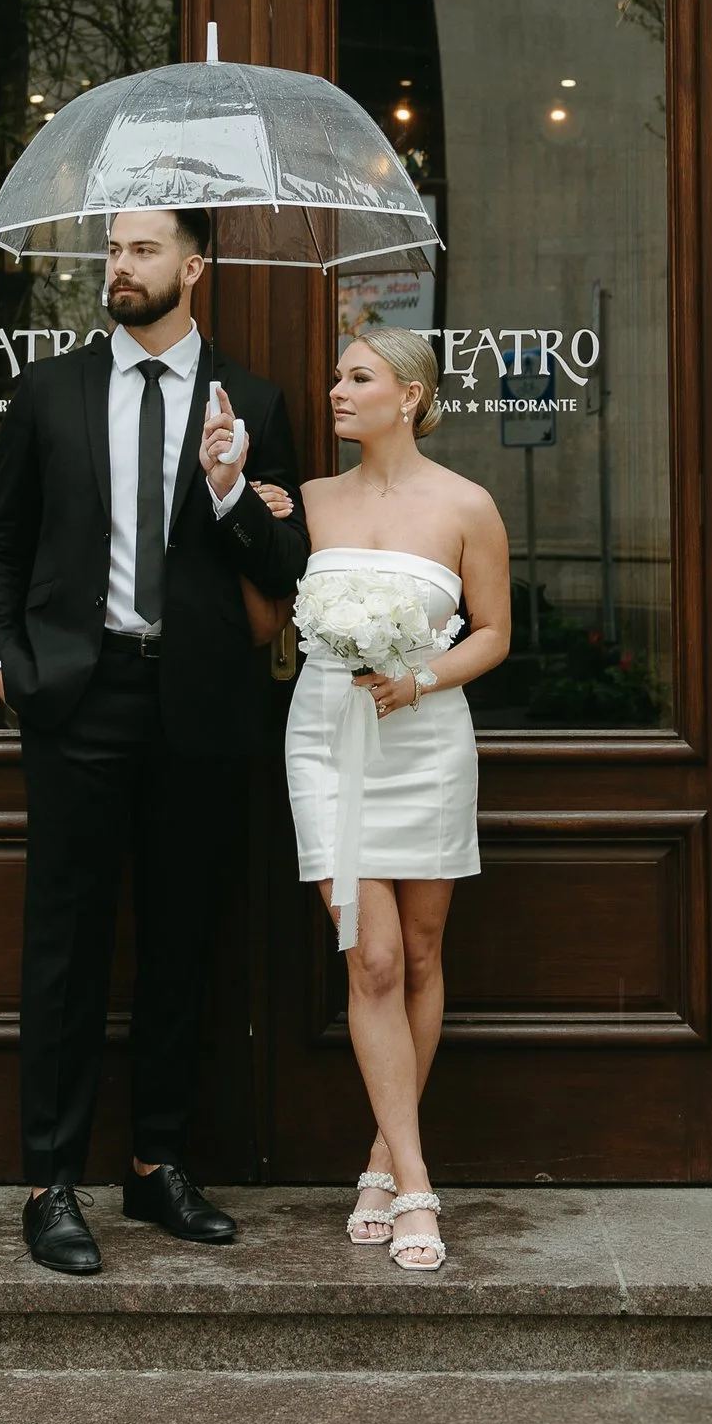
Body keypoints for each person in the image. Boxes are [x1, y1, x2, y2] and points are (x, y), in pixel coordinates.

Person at [0, 206, 310, 1276]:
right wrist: (2, 669)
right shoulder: (51, 390)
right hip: (77, 701)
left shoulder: (251, 401)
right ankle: (50, 1182)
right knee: (63, 948)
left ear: (194, 266)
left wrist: (225, 490)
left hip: (201, 706)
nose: (119, 266)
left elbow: (286, 562)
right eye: (113, 249)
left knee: (181, 941)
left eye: (144, 249)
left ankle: (157, 1164)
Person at [255, 327, 511, 1274]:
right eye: (333, 376)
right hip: (325, 740)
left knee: (422, 951)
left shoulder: (466, 506)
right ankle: (416, 1186)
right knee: (370, 957)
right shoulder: (309, 503)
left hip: (427, 739)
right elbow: (261, 607)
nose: (334, 390)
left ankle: (377, 1156)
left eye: (356, 377)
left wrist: (424, 680)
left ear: (408, 395)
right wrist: (242, 504)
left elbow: (494, 635)